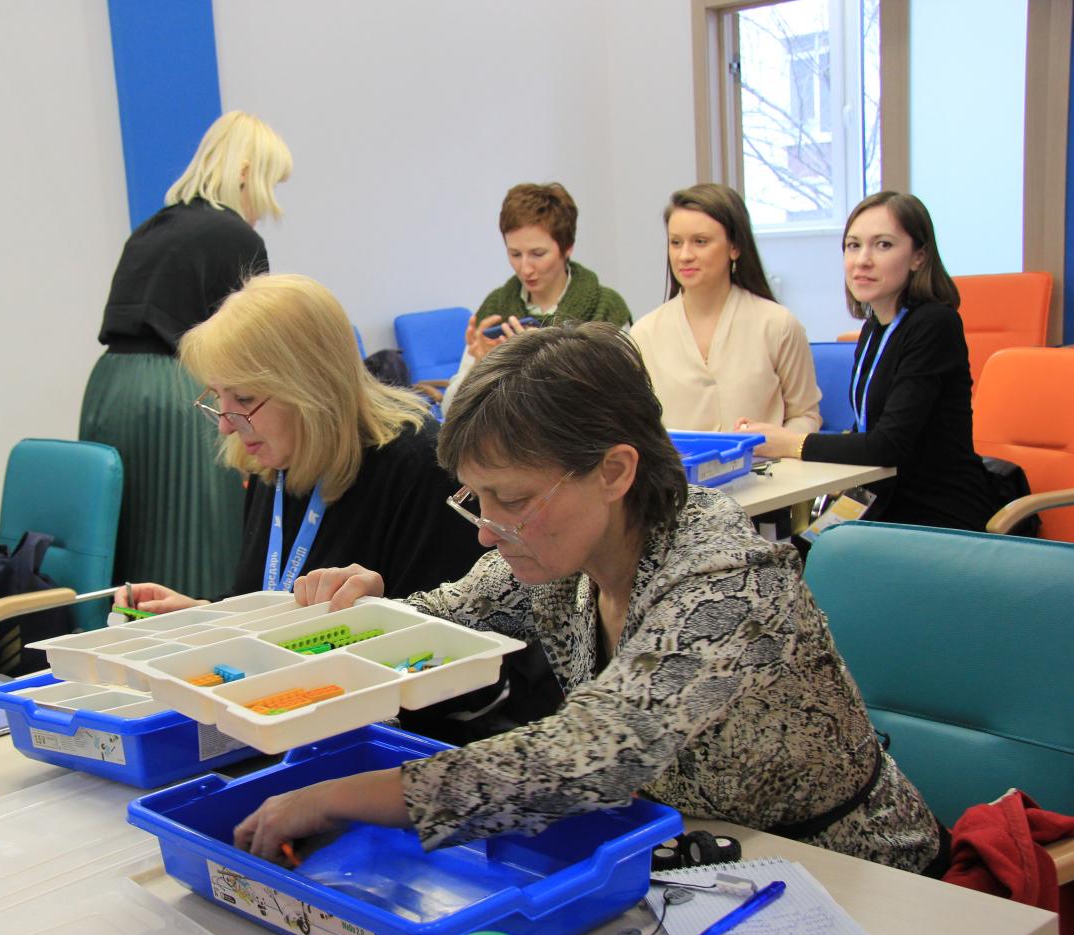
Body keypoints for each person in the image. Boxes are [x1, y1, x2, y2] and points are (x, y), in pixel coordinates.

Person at [234, 323, 948, 877]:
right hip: (696, 860)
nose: (486, 531)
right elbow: (444, 615)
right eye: (476, 499)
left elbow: (587, 755)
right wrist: (367, 611)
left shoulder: (727, 576)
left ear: (613, 471)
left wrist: (335, 798)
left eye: (511, 500)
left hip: (853, 875)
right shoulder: (561, 554)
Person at [126, 273, 483, 616]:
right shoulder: (273, 459)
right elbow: (266, 600)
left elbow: (449, 637)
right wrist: (205, 613)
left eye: (244, 398)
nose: (225, 425)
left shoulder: (424, 469)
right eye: (218, 396)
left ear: (312, 388)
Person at [80, 111, 293, 600]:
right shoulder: (236, 237)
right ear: (246, 173)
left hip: (111, 387)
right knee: (195, 543)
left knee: (127, 536)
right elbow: (252, 347)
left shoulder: (151, 229)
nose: (266, 206)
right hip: (175, 392)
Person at [737, 192, 996, 531]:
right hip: (880, 497)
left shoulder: (934, 324)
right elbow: (867, 430)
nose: (862, 260)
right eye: (853, 246)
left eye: (883, 245)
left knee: (808, 552)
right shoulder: (874, 327)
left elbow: (887, 445)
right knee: (795, 542)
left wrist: (789, 443)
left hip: (936, 511)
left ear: (919, 256)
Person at [630, 184, 821, 433]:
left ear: (735, 247)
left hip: (763, 459)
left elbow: (805, 415)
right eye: (676, 242)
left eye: (700, 242)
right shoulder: (644, 333)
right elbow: (635, 425)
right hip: (676, 460)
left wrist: (777, 443)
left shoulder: (777, 324)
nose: (684, 255)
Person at [440, 182, 631, 414]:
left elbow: (624, 400)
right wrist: (481, 367)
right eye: (514, 254)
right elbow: (449, 409)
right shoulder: (495, 307)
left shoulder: (606, 308)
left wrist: (542, 362)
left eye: (538, 254)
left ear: (567, 248)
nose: (525, 268)